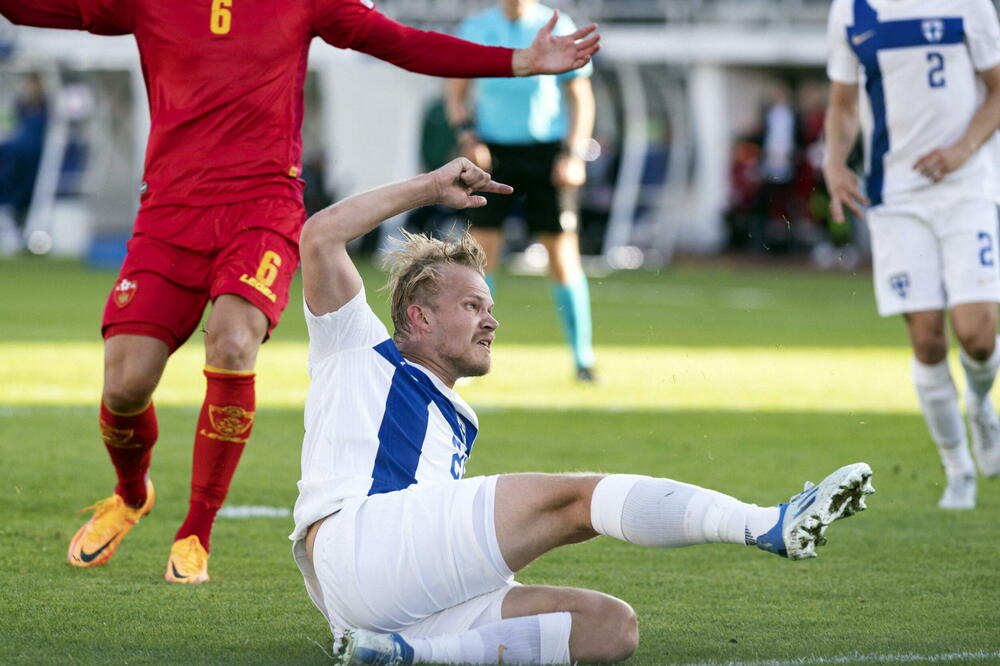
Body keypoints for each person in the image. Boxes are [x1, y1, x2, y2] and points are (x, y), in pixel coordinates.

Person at [0, 0, 599, 584]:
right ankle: (132, 493)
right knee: (126, 385)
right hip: (167, 213)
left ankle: (195, 534)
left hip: (261, 207)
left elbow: (402, 42)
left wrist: (517, 61)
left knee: (233, 345)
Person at [291, 156, 875, 665]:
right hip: (355, 541)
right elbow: (320, 236)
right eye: (472, 305)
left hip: (372, 606)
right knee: (576, 500)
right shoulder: (357, 347)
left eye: (490, 307)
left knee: (608, 628)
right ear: (418, 317)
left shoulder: (456, 416)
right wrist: (430, 189)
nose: (492, 321)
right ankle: (766, 525)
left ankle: (405, 654)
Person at [823, 0, 1000, 509]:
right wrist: (834, 162)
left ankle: (983, 405)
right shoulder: (851, 12)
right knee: (926, 339)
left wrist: (963, 149)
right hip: (896, 196)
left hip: (966, 188)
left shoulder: (970, 4)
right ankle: (958, 469)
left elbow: (997, 90)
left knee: (978, 335)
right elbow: (842, 102)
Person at [445, 0, 597, 382]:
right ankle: (468, 358)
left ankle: (583, 360)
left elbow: (581, 96)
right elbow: (456, 93)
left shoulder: (557, 24)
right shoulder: (476, 29)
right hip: (493, 154)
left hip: (548, 155)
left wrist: (575, 154)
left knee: (563, 257)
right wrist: (468, 136)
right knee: (480, 261)